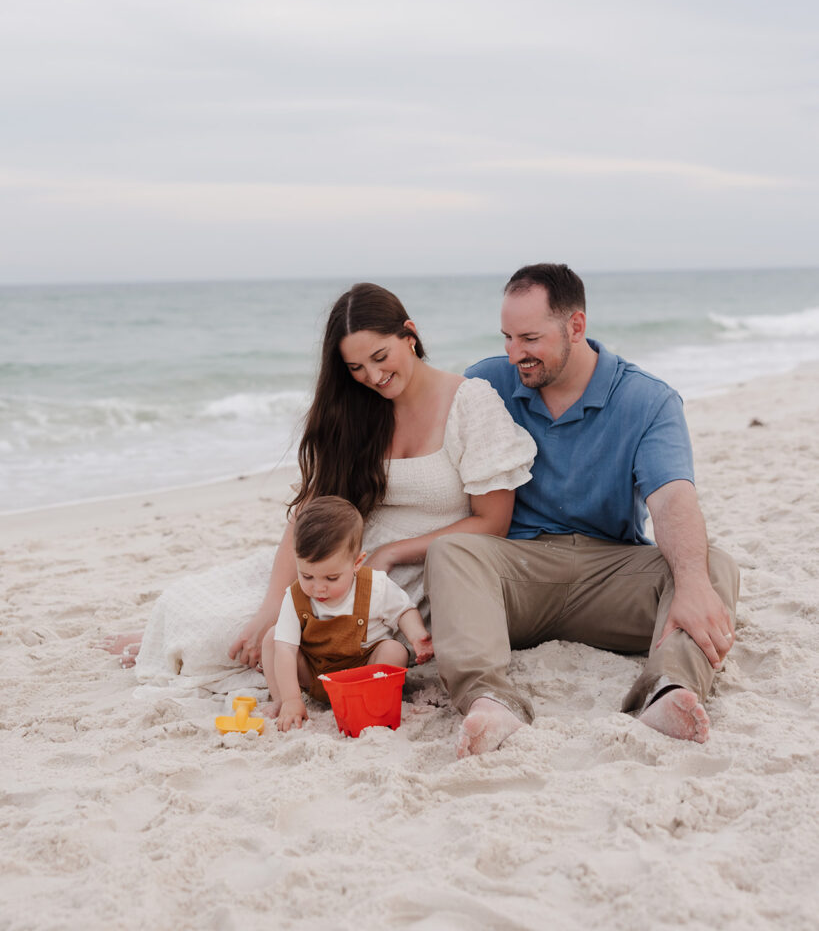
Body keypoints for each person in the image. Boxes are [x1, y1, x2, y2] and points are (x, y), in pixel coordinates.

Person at [102, 282, 536, 696]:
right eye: (356, 368)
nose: (373, 376)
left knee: (229, 643)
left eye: (380, 356)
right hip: (330, 565)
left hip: (411, 579)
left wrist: (391, 553)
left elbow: (493, 523)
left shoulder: (470, 402)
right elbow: (307, 516)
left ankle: (171, 643)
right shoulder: (359, 411)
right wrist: (272, 606)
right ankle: (168, 635)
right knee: (212, 615)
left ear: (410, 335)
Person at [425, 263, 740, 758]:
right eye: (506, 337)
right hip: (517, 575)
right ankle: (489, 699)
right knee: (452, 552)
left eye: (529, 338)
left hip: (609, 576)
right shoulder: (485, 384)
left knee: (711, 566)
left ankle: (668, 691)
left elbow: (673, 500)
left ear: (576, 326)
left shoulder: (648, 400)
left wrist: (695, 586)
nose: (514, 355)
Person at [264, 496, 433, 731]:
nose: (318, 588)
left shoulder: (375, 585)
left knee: (394, 650)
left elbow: (404, 611)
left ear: (357, 563)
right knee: (273, 639)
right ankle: (281, 701)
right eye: (307, 576)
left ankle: (375, 698)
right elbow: (286, 650)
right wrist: (292, 699)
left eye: (331, 578)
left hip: (365, 673)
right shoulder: (295, 597)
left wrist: (418, 637)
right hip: (316, 676)